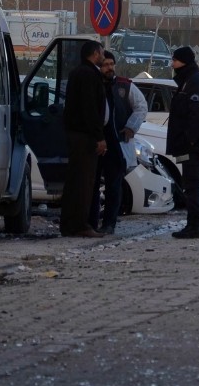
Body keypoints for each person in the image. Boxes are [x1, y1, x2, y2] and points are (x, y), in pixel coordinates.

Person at [90, 51, 148, 235]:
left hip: (117, 144)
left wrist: (131, 127)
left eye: (111, 64)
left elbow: (141, 106)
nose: (109, 68)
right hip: (96, 143)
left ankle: (109, 224)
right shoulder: (93, 85)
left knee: (114, 185)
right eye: (105, 64)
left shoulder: (125, 85)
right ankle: (90, 223)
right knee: (92, 185)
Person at [166, 46, 199, 239]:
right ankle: (195, 225)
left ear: (184, 61)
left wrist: (190, 140)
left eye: (175, 60)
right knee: (191, 184)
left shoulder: (194, 82)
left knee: (192, 184)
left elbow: (197, 115)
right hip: (191, 144)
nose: (173, 64)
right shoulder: (187, 81)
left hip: (193, 146)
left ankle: (195, 226)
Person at [60, 40, 107, 238]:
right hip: (84, 137)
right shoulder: (88, 75)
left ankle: (70, 224)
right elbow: (90, 109)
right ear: (95, 53)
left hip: (76, 135)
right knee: (83, 182)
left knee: (75, 181)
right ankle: (79, 224)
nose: (103, 56)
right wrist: (99, 136)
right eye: (102, 52)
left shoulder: (77, 72)